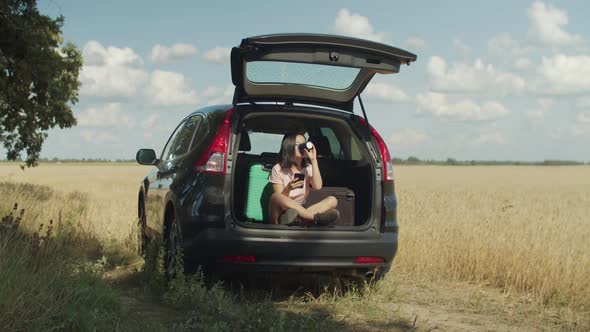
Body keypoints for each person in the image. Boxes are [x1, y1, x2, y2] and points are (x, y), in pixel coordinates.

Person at [268, 133, 340, 225]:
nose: (302, 147)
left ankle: (300, 219)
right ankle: (312, 218)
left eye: (304, 143)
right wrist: (288, 188)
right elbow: (279, 200)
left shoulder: (308, 168)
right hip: (283, 211)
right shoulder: (277, 169)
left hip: (302, 208)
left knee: (333, 200)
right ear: (288, 147)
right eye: (298, 144)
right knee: (275, 196)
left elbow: (317, 186)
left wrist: (313, 159)